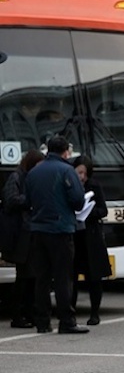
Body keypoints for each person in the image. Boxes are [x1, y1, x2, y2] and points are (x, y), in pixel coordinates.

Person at [25, 135, 87, 334]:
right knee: (63, 277)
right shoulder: (66, 170)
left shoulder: (34, 172)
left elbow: (27, 200)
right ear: (66, 152)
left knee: (42, 278)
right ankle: (66, 321)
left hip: (38, 229)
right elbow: (78, 200)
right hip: (60, 229)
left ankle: (42, 321)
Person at [1, 149, 44, 328]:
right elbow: (10, 200)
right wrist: (30, 200)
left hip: (30, 230)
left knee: (31, 275)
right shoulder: (17, 177)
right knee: (23, 276)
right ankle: (18, 315)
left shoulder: (30, 178)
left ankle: (28, 312)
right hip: (20, 232)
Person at [71, 155, 111, 326]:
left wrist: (89, 212)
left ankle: (94, 312)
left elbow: (103, 210)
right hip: (73, 235)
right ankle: (70, 311)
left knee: (94, 277)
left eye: (84, 173)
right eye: (78, 172)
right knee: (71, 277)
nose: (81, 177)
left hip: (90, 236)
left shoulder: (94, 186)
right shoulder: (68, 184)